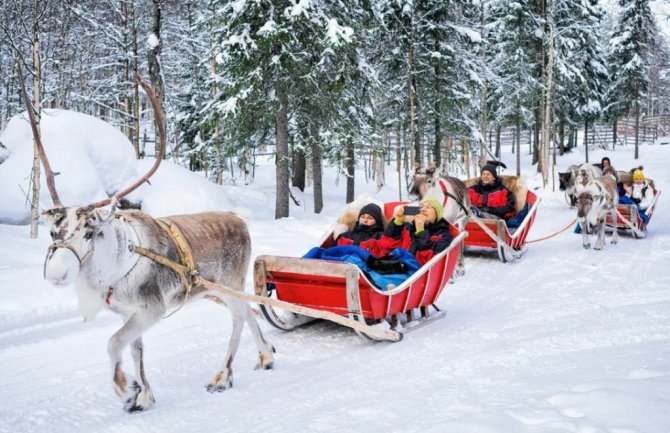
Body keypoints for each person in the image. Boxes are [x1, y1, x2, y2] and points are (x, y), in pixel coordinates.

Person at [381, 197, 453, 266]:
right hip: (392, 265)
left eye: (428, 207)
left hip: (412, 272)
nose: (423, 209)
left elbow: (431, 261)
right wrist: (397, 223)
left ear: (437, 214)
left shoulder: (443, 235)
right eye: (421, 206)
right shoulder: (408, 228)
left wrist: (420, 231)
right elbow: (386, 246)